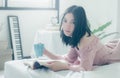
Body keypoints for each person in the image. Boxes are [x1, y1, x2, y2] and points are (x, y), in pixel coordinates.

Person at [37, 5, 120, 72]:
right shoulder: (76, 37)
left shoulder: (86, 42)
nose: (67, 26)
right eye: (65, 21)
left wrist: (66, 66)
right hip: (107, 48)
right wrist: (45, 51)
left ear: (80, 24)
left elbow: (85, 69)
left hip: (114, 54)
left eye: (73, 22)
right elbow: (68, 59)